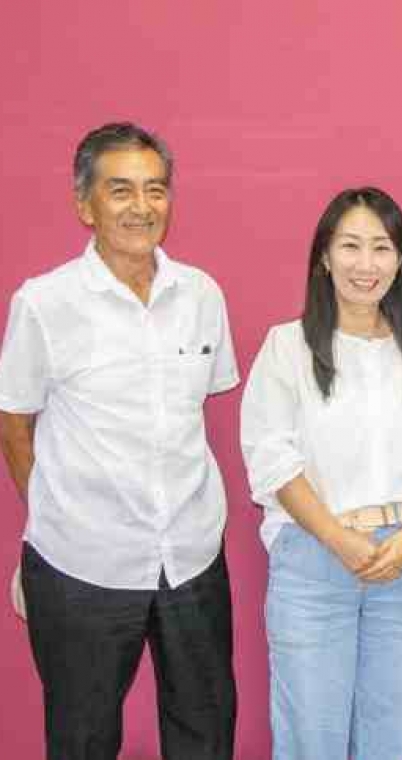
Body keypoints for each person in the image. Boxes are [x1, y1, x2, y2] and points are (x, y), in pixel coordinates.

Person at [0, 122, 238, 759]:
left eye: (155, 190)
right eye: (121, 190)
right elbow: (14, 422)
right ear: (85, 205)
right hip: (82, 562)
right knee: (82, 739)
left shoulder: (201, 294)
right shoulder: (44, 304)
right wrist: (53, 508)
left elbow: (200, 406)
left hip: (190, 557)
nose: (142, 206)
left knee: (206, 734)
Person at [240, 186, 402, 760]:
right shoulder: (286, 347)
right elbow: (272, 460)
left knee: (391, 740)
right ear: (324, 256)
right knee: (312, 739)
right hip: (315, 557)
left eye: (382, 248)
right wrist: (338, 538)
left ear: (401, 260)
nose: (366, 265)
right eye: (351, 246)